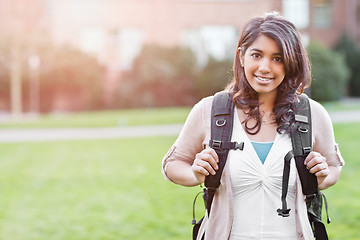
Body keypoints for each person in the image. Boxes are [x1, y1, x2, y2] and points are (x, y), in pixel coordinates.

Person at [162, 12, 344, 240]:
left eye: (277, 58)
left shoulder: (312, 114)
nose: (265, 67)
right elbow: (172, 164)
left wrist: (321, 176)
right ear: (241, 56)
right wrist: (195, 174)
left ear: (291, 62)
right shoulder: (210, 110)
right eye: (257, 55)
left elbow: (334, 168)